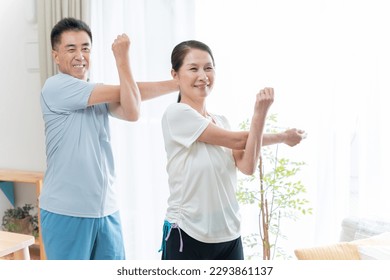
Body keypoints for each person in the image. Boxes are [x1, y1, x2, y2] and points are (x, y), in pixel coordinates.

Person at [39, 17, 178, 260]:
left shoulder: (96, 94)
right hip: (66, 212)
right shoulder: (55, 87)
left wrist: (179, 84)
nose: (80, 55)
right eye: (71, 49)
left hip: (106, 210)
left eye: (85, 48)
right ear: (56, 56)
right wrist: (123, 59)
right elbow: (127, 94)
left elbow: (132, 110)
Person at [159, 40, 305, 260]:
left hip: (229, 235)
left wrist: (262, 117)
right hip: (187, 233)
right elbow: (238, 140)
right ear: (175, 75)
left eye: (208, 68)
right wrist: (276, 131)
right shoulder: (177, 114)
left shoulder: (222, 121)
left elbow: (247, 166)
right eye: (193, 68)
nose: (203, 75)